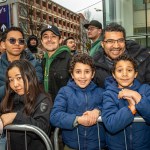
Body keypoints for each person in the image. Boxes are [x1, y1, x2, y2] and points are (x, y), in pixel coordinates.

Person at [50, 53, 106, 150]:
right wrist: (77, 119)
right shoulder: (64, 92)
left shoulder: (101, 92)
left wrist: (98, 111)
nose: (83, 76)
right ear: (72, 74)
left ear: (92, 74)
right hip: (71, 146)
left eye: (87, 72)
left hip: (97, 146)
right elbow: (55, 116)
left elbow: (110, 108)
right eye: (78, 72)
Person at [0, 59, 52, 150]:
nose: (15, 84)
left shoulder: (43, 100)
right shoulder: (10, 98)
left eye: (19, 78)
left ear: (30, 76)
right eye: (11, 80)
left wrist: (15, 117)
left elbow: (43, 128)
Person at [102, 54, 150, 150]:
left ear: (135, 74)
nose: (125, 74)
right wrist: (131, 109)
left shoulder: (145, 90)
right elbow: (111, 125)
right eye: (120, 70)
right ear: (114, 75)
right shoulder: (109, 94)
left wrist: (136, 96)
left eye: (129, 70)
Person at [93, 22, 150, 88]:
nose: (116, 46)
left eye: (120, 40)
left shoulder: (143, 57)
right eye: (110, 41)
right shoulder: (95, 66)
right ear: (102, 44)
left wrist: (140, 96)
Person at [0, 27, 43, 102]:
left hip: (28, 110)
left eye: (21, 41)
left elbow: (34, 87)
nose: (17, 44)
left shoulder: (34, 64)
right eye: (12, 40)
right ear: (3, 44)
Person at [40, 24, 71, 102]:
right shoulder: (41, 62)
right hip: (46, 108)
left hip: (64, 109)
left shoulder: (70, 60)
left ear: (60, 40)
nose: (49, 39)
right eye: (45, 37)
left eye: (53, 36)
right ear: (42, 41)